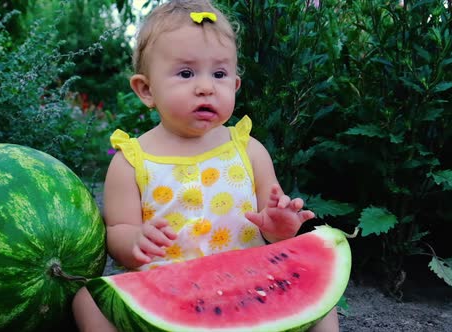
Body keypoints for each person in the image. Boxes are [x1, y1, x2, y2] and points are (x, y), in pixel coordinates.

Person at [72, 0, 339, 331]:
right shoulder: (130, 161)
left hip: (250, 291)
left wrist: (281, 228)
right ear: (146, 89)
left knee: (323, 291)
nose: (206, 86)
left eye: (220, 73)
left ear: (235, 86)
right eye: (186, 73)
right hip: (170, 299)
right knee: (86, 299)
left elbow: (271, 226)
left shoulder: (249, 150)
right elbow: (118, 233)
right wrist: (135, 240)